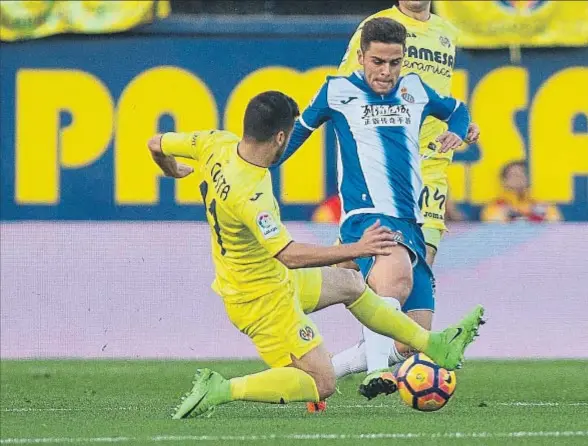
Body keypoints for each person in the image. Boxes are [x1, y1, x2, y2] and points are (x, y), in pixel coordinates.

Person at [147, 91, 484, 418]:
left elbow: (155, 142)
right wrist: (358, 248)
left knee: (351, 283)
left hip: (271, 279)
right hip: (261, 300)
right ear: (281, 137)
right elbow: (290, 255)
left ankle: (435, 344)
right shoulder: (251, 194)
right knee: (321, 383)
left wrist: (169, 168)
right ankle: (222, 389)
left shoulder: (214, 143)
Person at [276, 17, 475, 399]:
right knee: (395, 281)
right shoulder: (336, 91)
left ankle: (306, 381)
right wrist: (252, 166)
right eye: (378, 62)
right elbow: (296, 134)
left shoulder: (414, 89)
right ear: (362, 57)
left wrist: (457, 128)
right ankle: (378, 372)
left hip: (411, 222)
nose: (386, 72)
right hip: (366, 217)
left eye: (394, 62)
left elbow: (458, 108)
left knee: (410, 345)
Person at [331, 0, 481, 391]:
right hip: (388, 172)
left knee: (409, 325)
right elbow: (348, 92)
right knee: (376, 276)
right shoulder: (378, 26)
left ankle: (340, 365)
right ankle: (369, 364)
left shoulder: (448, 33)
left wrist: (461, 123)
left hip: (431, 171)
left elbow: (439, 97)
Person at [481, 160, 562, 223]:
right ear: (504, 181)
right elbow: (493, 224)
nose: (519, 178)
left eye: (523, 174)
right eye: (514, 175)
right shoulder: (496, 205)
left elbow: (555, 222)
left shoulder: (540, 204)